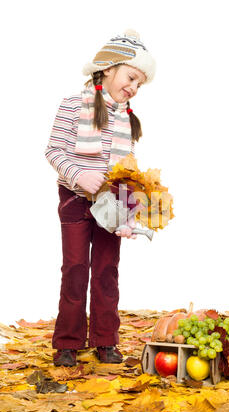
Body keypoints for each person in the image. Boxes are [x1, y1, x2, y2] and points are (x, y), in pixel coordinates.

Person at [45, 29, 156, 367]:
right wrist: (78, 175)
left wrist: (128, 217)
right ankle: (68, 342)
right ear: (108, 68)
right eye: (131, 76)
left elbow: (127, 174)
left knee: (108, 270)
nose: (134, 86)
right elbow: (53, 150)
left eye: (140, 83)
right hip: (74, 200)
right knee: (76, 268)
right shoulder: (72, 105)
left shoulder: (128, 120)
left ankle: (106, 340)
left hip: (111, 206)